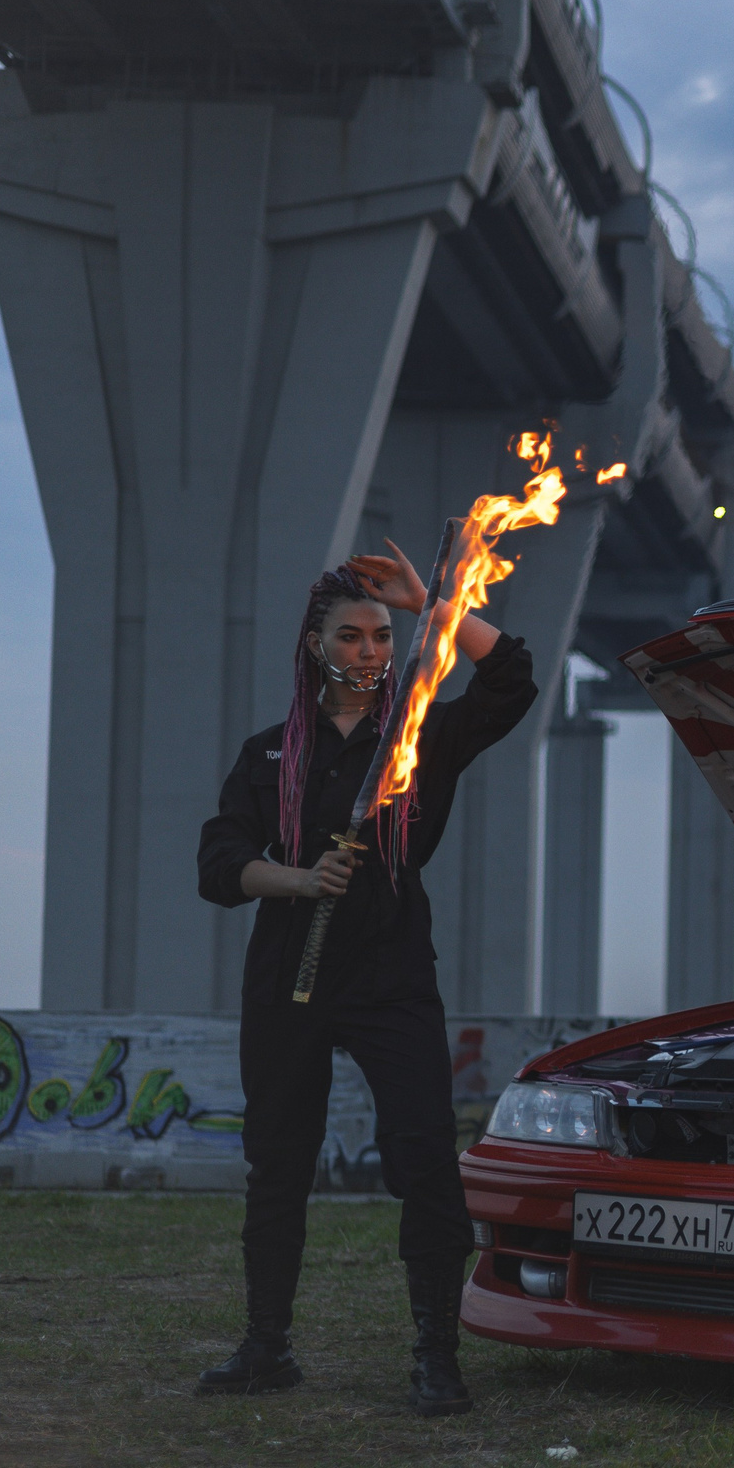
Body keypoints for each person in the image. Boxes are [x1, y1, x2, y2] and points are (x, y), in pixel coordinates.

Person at [193, 543, 534, 1415]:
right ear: (316, 647)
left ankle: (436, 1357)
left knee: (425, 1157)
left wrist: (434, 606)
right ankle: (266, 1347)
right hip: (289, 976)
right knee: (277, 1166)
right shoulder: (272, 756)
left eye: (382, 636)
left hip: (390, 974)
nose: (370, 652)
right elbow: (219, 862)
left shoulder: (421, 735)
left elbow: (512, 684)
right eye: (351, 637)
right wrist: (300, 878)